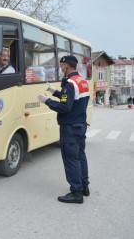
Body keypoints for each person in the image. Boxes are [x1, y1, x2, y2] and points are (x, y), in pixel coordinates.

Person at [37, 55, 90, 204]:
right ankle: (84, 187)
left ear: (66, 66)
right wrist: (55, 92)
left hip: (70, 128)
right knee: (80, 156)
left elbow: (65, 107)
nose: (61, 69)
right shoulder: (81, 81)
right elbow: (72, 99)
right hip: (80, 124)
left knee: (71, 159)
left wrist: (47, 100)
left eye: (61, 66)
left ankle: (76, 193)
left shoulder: (70, 83)